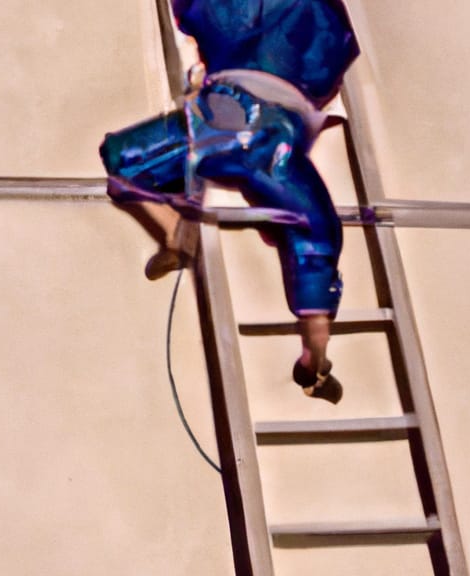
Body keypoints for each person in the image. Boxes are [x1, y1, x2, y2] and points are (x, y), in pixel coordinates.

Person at [99, 0, 359, 404]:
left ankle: (171, 231)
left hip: (218, 118)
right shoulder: (314, 44)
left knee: (122, 163)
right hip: (269, 137)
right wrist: (313, 364)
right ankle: (314, 371)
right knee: (315, 256)